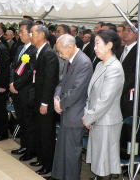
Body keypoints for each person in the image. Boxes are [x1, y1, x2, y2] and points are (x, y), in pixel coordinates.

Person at [82, 29, 124, 180]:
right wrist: (88, 114)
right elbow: (91, 93)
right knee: (99, 159)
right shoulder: (101, 65)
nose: (94, 47)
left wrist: (89, 117)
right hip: (97, 119)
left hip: (107, 121)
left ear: (109, 45)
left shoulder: (114, 68)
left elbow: (105, 100)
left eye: (97, 43)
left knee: (104, 161)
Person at [51, 34, 93, 180]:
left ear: (69, 46)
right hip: (66, 111)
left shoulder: (84, 62)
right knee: (62, 149)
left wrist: (60, 104)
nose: (60, 55)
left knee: (71, 153)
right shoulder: (71, 60)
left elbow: (76, 91)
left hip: (75, 113)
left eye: (60, 51)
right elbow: (61, 82)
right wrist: (56, 98)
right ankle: (59, 176)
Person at [30, 25, 59, 175]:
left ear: (42, 35)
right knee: (39, 132)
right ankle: (41, 159)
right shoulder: (39, 51)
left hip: (44, 101)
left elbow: (49, 80)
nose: (31, 35)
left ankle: (48, 165)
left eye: (33, 33)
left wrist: (44, 103)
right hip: (38, 97)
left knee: (46, 134)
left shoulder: (49, 54)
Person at [9, 20, 37, 161]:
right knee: (21, 120)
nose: (19, 34)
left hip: (26, 91)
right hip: (16, 89)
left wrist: (16, 85)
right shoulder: (20, 47)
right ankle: (24, 145)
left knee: (28, 121)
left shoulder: (34, 49)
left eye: (22, 32)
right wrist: (11, 82)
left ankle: (31, 150)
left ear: (31, 33)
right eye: (19, 32)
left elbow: (30, 72)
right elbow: (13, 66)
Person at [120, 21, 140, 119]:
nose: (125, 32)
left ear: (137, 33)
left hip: (130, 97)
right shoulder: (120, 49)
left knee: (128, 128)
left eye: (129, 30)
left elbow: (135, 76)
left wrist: (117, 89)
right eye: (124, 30)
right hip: (117, 96)